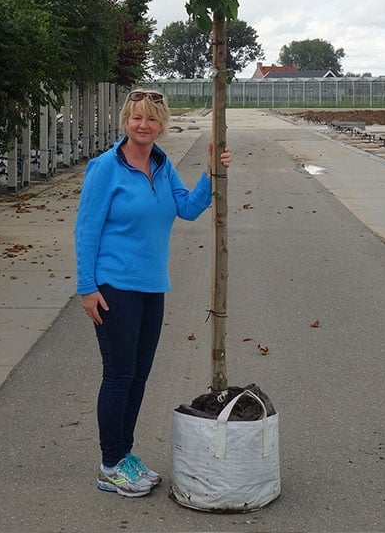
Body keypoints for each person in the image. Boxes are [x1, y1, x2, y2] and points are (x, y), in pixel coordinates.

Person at [75, 89, 232, 498]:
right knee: (119, 375)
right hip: (113, 288)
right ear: (125, 121)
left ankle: (124, 455)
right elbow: (86, 230)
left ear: (161, 123)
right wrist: (86, 288)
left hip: (150, 288)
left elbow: (188, 207)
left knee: (138, 377)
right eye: (136, 118)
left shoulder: (162, 166)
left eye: (151, 119)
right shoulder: (105, 168)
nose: (143, 125)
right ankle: (110, 464)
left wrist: (211, 171)